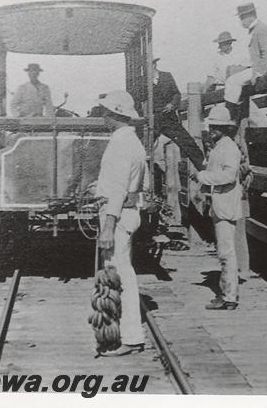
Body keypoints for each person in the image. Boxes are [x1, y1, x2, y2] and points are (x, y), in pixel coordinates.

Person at [92, 90, 148, 356]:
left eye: (105, 112)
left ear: (115, 115)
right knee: (122, 273)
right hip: (128, 212)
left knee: (121, 277)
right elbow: (139, 184)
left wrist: (108, 227)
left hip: (116, 217)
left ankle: (131, 337)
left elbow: (117, 190)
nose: (103, 116)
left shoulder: (119, 144)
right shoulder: (134, 142)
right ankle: (125, 333)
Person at [191, 104, 243, 310]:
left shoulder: (228, 148)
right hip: (220, 204)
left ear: (226, 128)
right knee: (224, 250)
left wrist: (201, 176)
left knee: (226, 251)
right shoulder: (219, 146)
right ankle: (227, 293)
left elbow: (229, 176)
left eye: (217, 127)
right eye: (211, 126)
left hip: (226, 205)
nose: (212, 130)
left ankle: (229, 296)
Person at [223, 2, 267, 126]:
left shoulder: (261, 29)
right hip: (262, 68)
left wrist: (258, 74)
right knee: (235, 83)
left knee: (232, 81)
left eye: (241, 18)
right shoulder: (257, 30)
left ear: (249, 16)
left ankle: (229, 116)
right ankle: (232, 114)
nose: (241, 22)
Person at [150, 58, 206, 171]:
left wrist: (172, 104)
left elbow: (176, 94)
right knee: (146, 147)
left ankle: (204, 170)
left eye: (151, 64)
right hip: (154, 119)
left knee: (188, 143)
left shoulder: (166, 76)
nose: (149, 68)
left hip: (168, 119)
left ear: (155, 64)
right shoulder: (143, 81)